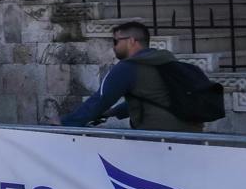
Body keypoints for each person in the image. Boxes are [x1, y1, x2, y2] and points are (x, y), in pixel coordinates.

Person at [60, 20, 202, 132]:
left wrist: (64, 124)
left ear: (131, 41)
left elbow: (100, 100)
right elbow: (155, 97)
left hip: (159, 139)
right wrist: (114, 112)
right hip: (191, 133)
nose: (113, 47)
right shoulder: (164, 61)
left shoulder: (128, 67)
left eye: (116, 41)